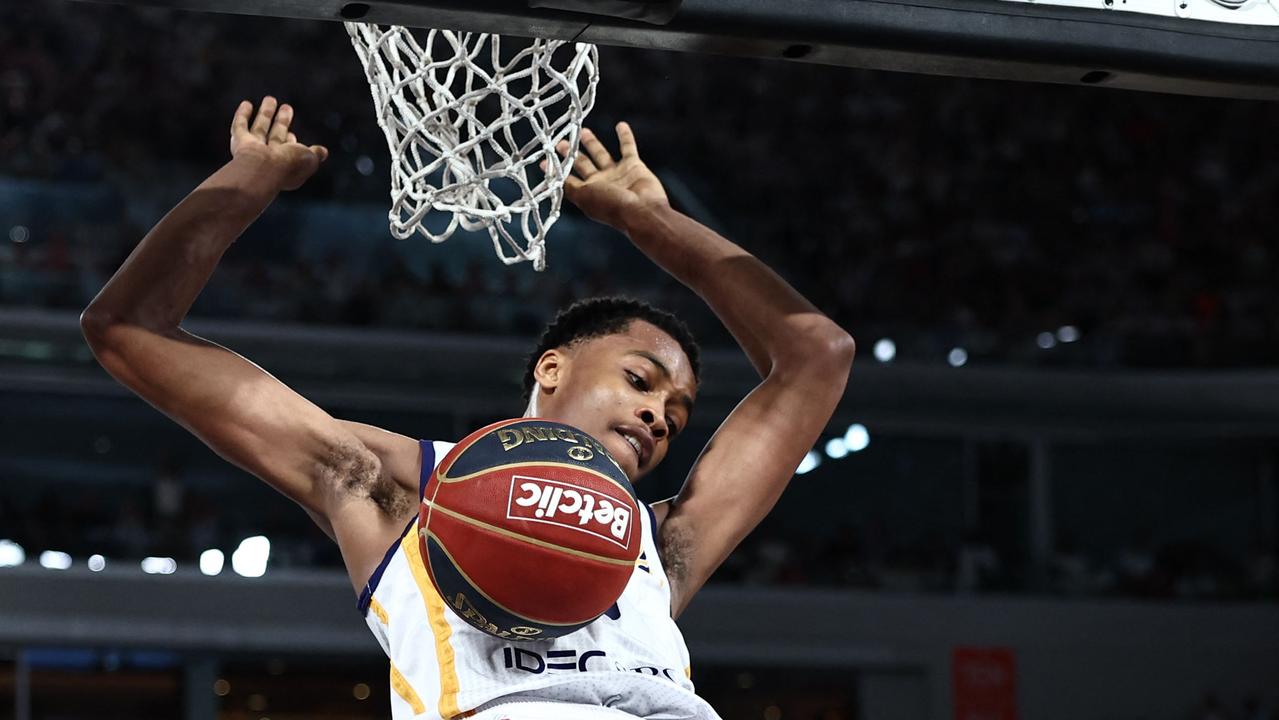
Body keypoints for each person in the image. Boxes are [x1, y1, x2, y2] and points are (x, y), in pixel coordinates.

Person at [80, 97, 855, 720]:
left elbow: (816, 355)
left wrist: (649, 221)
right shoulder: (401, 486)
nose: (661, 416)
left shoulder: (659, 544)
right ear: (552, 368)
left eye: (679, 414)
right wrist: (248, 181)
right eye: (641, 380)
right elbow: (127, 331)